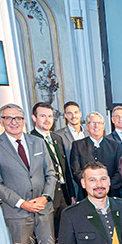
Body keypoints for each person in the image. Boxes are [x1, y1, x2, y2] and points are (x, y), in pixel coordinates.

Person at [0, 103, 57, 244]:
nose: (13, 122)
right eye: (8, 118)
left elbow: (51, 174)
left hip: (43, 208)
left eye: (17, 118)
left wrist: (45, 197)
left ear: (24, 120)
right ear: (0, 121)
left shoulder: (38, 142)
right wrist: (22, 203)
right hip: (17, 212)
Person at [30, 102, 75, 237]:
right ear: (34, 118)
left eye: (50, 116)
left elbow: (64, 167)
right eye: (43, 116)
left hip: (63, 195)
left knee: (66, 235)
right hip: (45, 197)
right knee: (48, 237)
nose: (47, 120)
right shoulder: (30, 140)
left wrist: (71, 194)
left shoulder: (57, 138)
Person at [70, 111, 122, 198]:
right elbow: (76, 171)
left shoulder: (115, 146)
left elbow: (120, 170)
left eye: (99, 123)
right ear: (87, 126)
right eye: (92, 123)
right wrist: (89, 186)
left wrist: (107, 186)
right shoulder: (78, 145)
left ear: (103, 126)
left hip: (111, 193)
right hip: (86, 195)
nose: (96, 126)